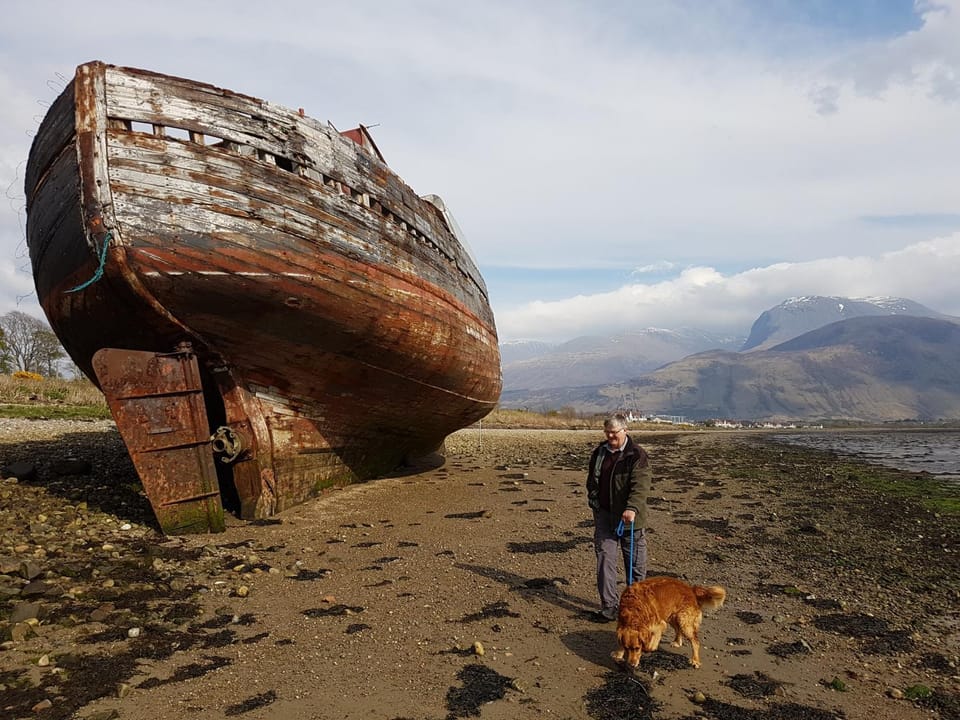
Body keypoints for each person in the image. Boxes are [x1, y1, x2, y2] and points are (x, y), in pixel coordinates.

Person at [586, 413, 652, 622]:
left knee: (635, 565)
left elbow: (640, 488)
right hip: (605, 516)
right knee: (605, 559)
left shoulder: (637, 455)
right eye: (607, 432)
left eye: (614, 432)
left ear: (625, 431)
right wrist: (594, 502)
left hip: (631, 520)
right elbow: (591, 481)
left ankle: (637, 607)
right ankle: (609, 607)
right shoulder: (599, 453)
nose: (610, 436)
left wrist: (631, 508)